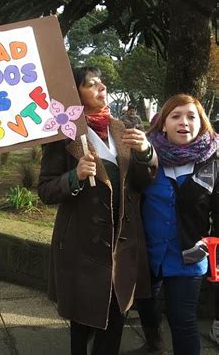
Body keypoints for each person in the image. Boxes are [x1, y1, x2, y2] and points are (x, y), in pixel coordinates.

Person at [37, 66, 157, 355]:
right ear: (74, 92)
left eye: (102, 83)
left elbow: (142, 183)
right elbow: (45, 189)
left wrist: (146, 153)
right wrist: (73, 177)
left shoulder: (123, 128)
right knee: (83, 324)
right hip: (82, 247)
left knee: (116, 322)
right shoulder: (63, 132)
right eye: (91, 84)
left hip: (123, 245)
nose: (101, 88)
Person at [136, 94, 217, 355]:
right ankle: (153, 343)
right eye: (176, 116)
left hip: (188, 257)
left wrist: (212, 248)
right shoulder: (145, 158)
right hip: (147, 253)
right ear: (163, 124)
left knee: (182, 321)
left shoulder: (212, 163)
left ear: (201, 123)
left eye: (191, 116)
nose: (184, 122)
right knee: (145, 306)